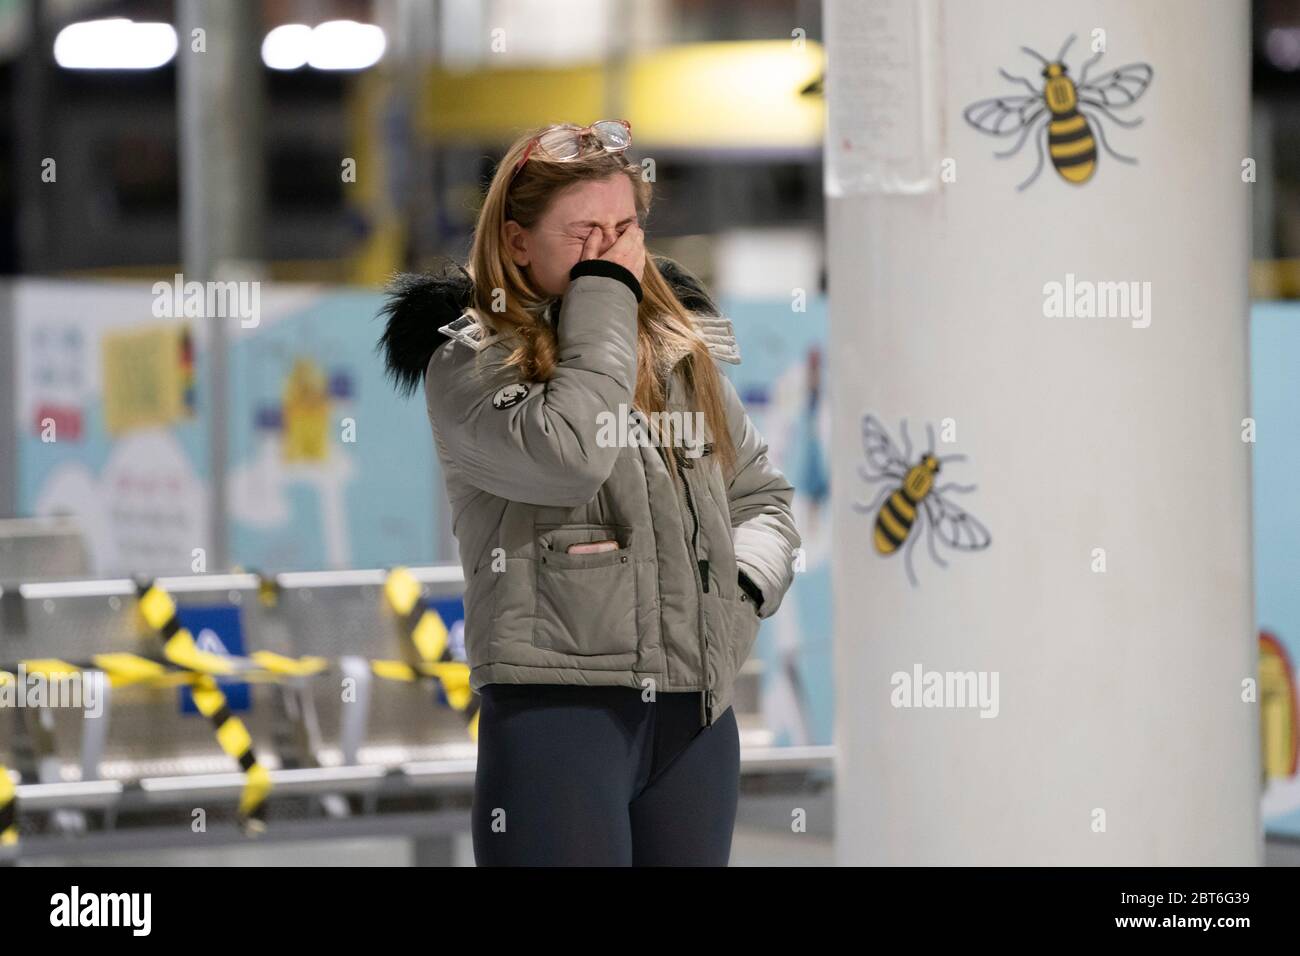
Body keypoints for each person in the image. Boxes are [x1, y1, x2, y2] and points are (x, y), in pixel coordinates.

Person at [378, 120, 801, 866]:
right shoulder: (470, 358)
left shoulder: (674, 353)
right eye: (583, 233)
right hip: (559, 717)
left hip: (696, 720)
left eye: (624, 228)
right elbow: (570, 454)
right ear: (516, 242)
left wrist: (732, 600)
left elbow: (762, 499)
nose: (610, 251)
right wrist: (605, 297)